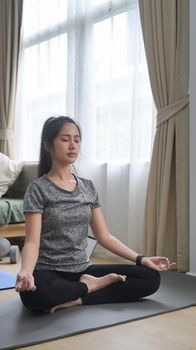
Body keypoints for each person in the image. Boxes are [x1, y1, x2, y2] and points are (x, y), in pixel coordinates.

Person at [15, 116, 175, 313]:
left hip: (83, 270)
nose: (73, 145)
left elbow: (104, 236)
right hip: (50, 272)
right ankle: (91, 287)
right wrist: (26, 272)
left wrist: (142, 259)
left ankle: (80, 296)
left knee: (150, 278)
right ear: (48, 145)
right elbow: (32, 241)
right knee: (32, 294)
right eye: (65, 139)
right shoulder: (37, 189)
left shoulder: (87, 187)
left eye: (77, 139)